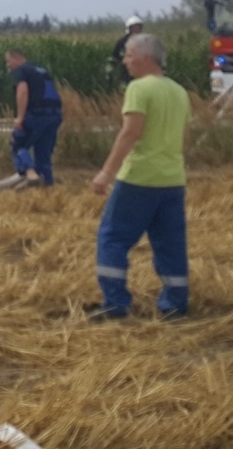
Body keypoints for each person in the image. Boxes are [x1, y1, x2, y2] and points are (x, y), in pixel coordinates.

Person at [89, 33, 192, 321]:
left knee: (112, 238)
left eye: (129, 55)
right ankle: (175, 304)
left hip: (139, 179)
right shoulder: (179, 91)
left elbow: (130, 132)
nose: (125, 61)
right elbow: (183, 138)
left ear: (146, 58)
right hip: (172, 180)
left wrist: (106, 173)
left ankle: (115, 302)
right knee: (170, 243)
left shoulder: (139, 88)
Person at [5, 49, 63, 188]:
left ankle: (31, 174)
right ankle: (47, 187)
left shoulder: (21, 71)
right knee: (43, 153)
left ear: (17, 58)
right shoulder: (42, 71)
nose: (8, 65)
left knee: (18, 144)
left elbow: (23, 91)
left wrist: (20, 117)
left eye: (8, 61)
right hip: (54, 115)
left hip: (36, 114)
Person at [110, 16, 143, 86]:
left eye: (138, 27)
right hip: (126, 75)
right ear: (129, 29)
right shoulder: (122, 42)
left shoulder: (145, 41)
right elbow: (115, 57)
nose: (136, 29)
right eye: (134, 27)